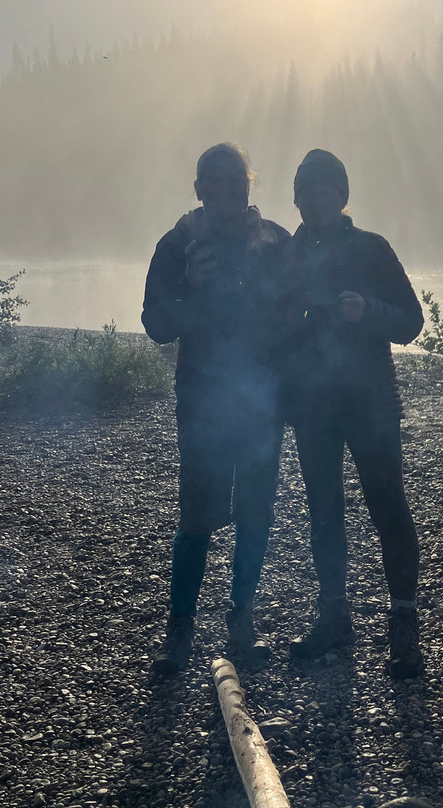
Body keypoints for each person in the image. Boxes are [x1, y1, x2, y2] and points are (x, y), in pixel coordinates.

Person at [141, 143, 291, 674]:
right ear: (199, 189)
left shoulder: (274, 241)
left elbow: (297, 317)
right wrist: (192, 287)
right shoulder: (178, 245)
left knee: (255, 510)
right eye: (217, 181)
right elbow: (157, 324)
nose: (228, 190)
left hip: (261, 400)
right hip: (203, 398)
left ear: (249, 184)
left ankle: (241, 621)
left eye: (237, 180)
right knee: (196, 514)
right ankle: (179, 629)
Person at [282, 149, 426, 678]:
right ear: (296, 200)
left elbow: (411, 321)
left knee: (388, 508)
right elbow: (271, 324)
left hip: (371, 404)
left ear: (342, 196)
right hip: (313, 406)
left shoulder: (371, 248)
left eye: (326, 188)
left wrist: (367, 311)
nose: (315, 198)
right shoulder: (288, 254)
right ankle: (334, 617)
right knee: (323, 511)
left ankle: (404, 626)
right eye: (306, 190)